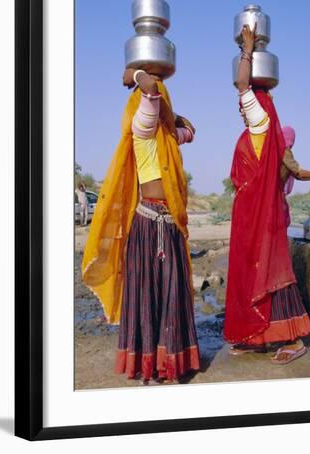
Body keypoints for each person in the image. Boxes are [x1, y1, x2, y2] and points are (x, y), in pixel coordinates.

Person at [82, 67, 200, 384]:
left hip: (171, 223)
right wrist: (135, 74)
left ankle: (171, 364)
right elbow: (149, 90)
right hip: (147, 222)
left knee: (172, 295)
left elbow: (189, 131)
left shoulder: (166, 137)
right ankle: (148, 365)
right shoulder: (143, 128)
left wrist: (176, 118)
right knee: (147, 296)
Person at [224, 24, 310, 364]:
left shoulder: (260, 121)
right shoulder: (257, 130)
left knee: (273, 272)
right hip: (251, 216)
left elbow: (242, 84)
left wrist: (248, 48)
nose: (242, 108)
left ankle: (296, 338)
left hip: (263, 218)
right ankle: (258, 336)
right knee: (254, 272)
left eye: (247, 104)